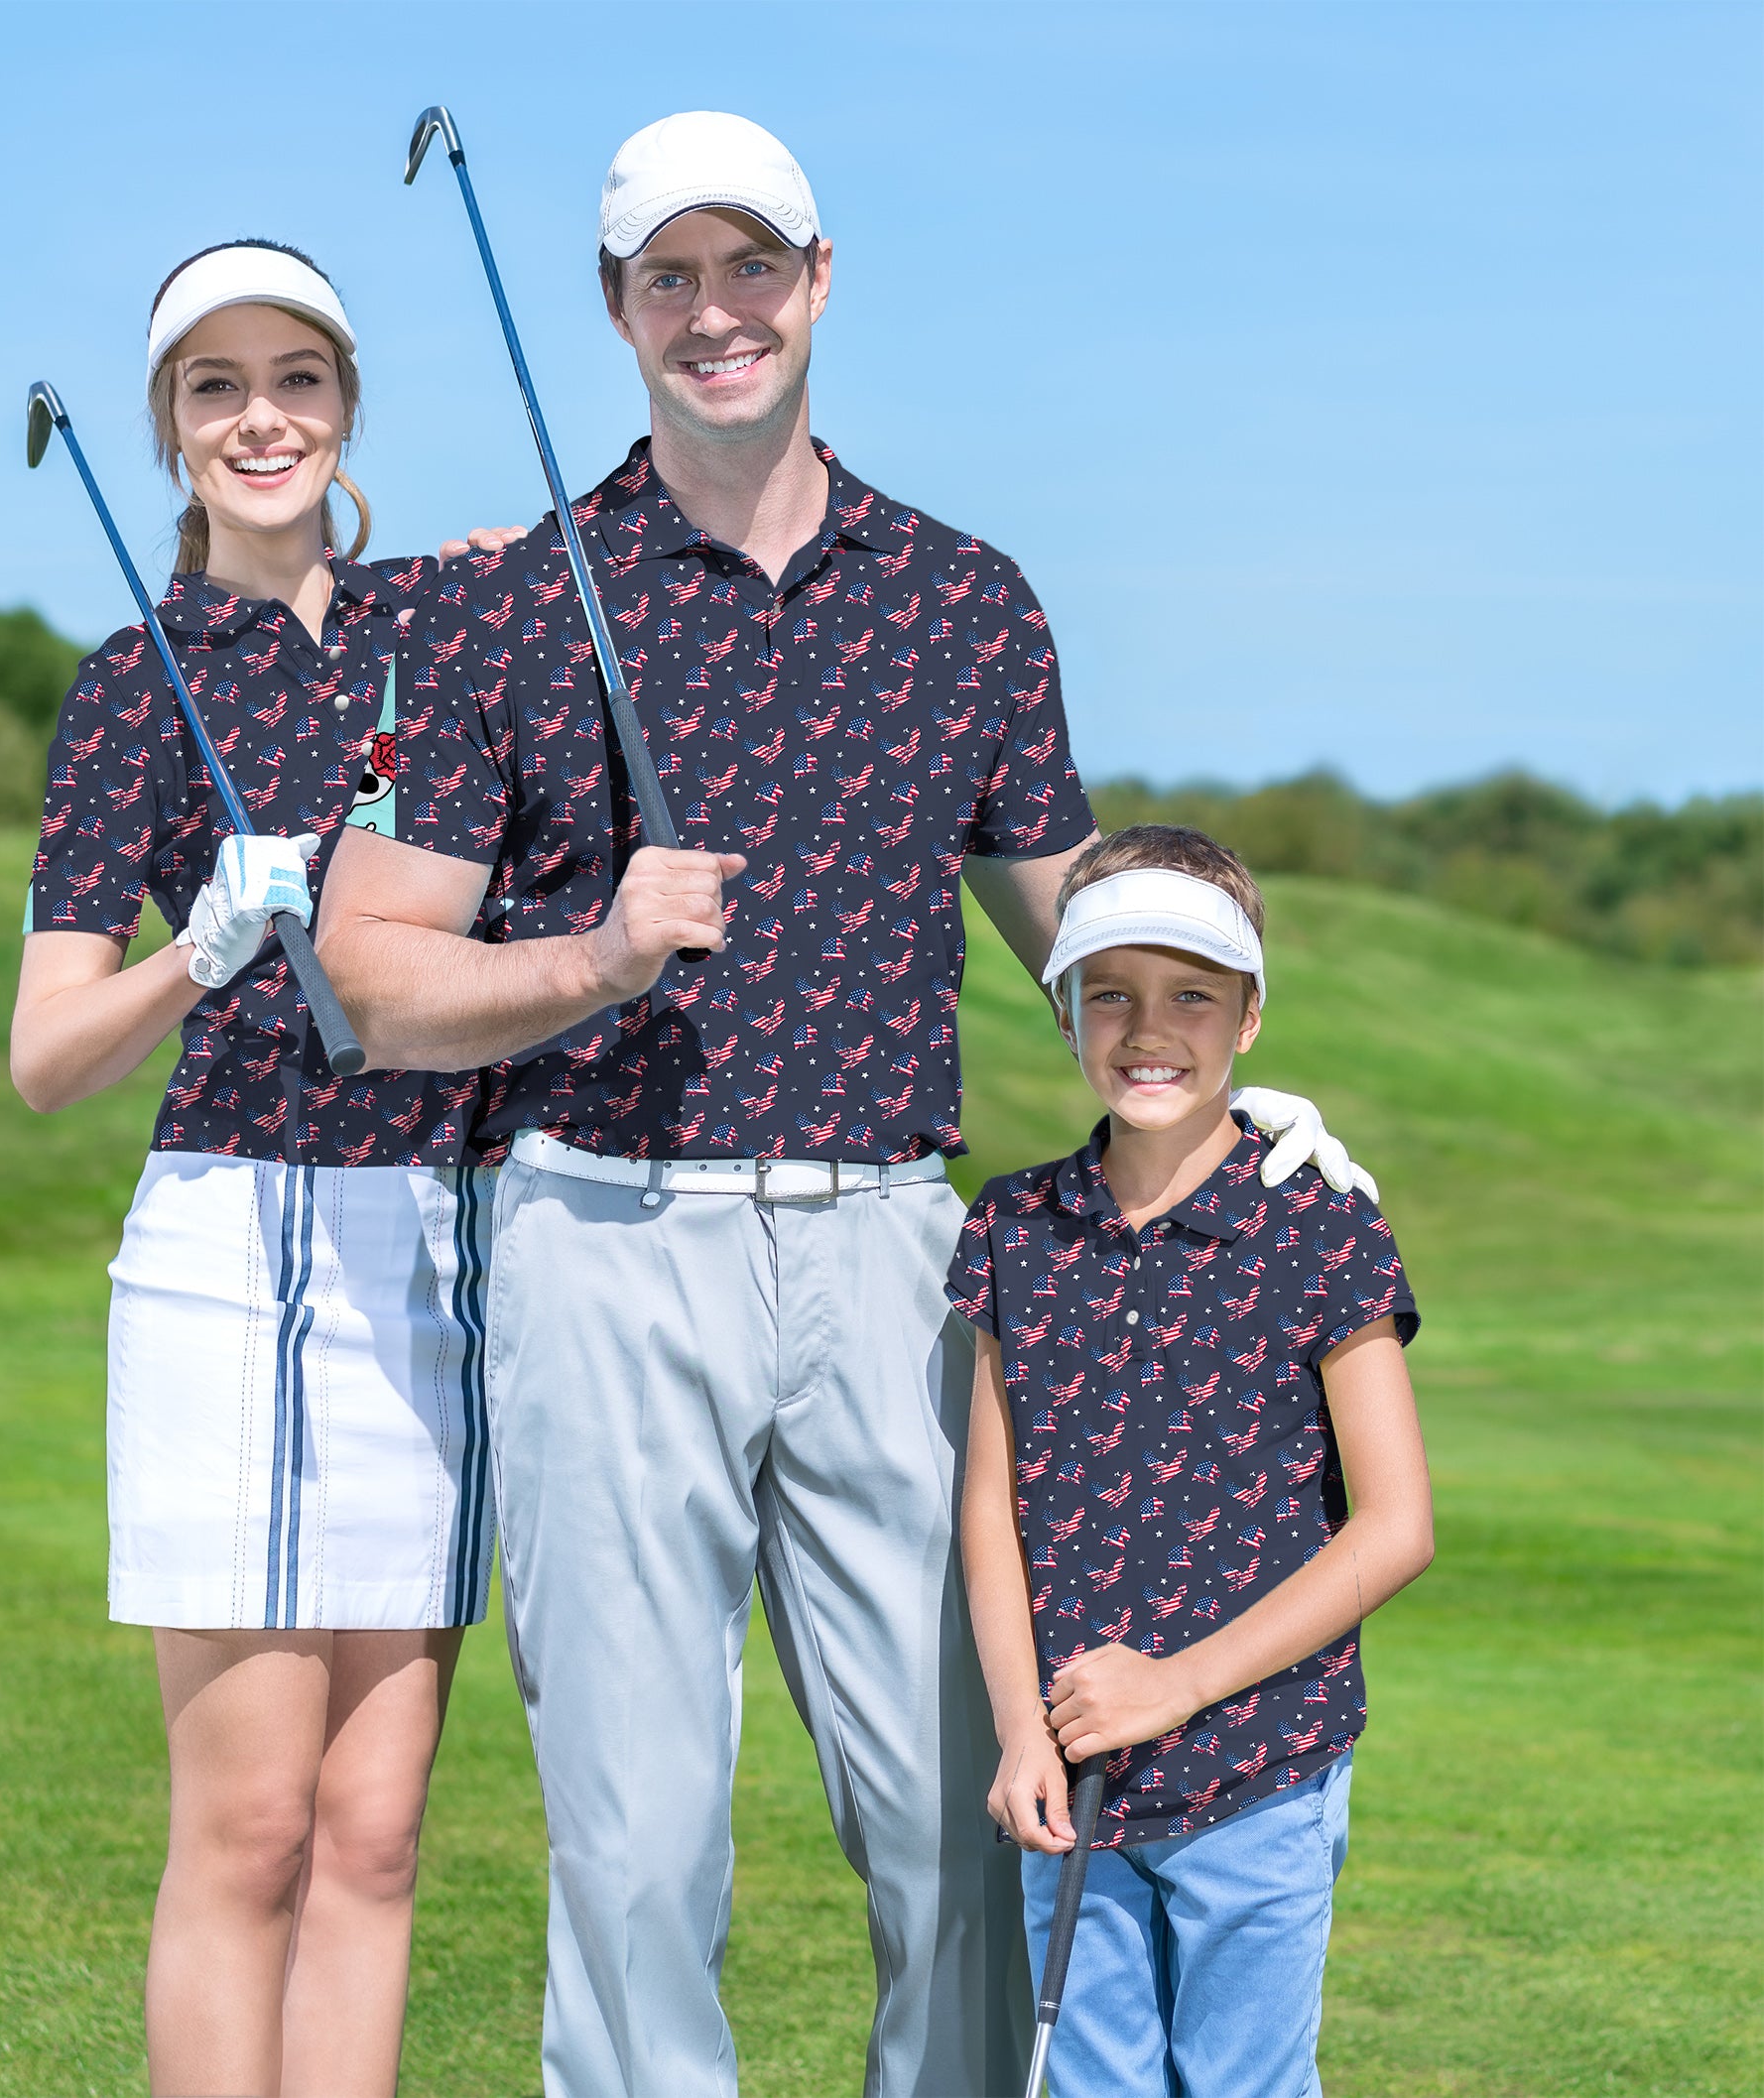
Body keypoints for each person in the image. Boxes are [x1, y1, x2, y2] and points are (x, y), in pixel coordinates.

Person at [315, 115, 1366, 2096]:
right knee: (636, 1846)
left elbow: (1079, 931)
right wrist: (583, 961)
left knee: (968, 1812)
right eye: (669, 278)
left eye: (751, 267)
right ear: (616, 309)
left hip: (898, 1255)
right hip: (602, 1239)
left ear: (817, 279)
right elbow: (367, 974)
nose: (716, 313)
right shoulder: (499, 606)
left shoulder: (968, 601)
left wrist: (1236, 1065)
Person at [10, 239, 512, 2098]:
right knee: (250, 1831)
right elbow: (47, 1055)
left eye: (294, 378)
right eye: (215, 387)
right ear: (168, 427)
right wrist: (196, 949)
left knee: (375, 1832)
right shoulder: (127, 686)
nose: (261, 418)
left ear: (346, 404)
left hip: (423, 1257)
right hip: (228, 1246)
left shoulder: (441, 645)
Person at [950, 824, 1435, 2097]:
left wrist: (1177, 1687)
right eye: (1108, 992)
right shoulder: (1015, 1226)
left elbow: (1395, 1527)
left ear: (1249, 1019)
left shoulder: (1323, 1225)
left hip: (1262, 1763)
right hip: (1073, 1771)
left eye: (1191, 996)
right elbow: (989, 1510)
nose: (1146, 1028)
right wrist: (1018, 1731)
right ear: (1062, 1009)